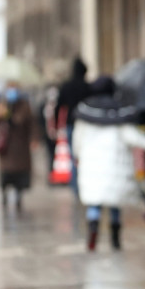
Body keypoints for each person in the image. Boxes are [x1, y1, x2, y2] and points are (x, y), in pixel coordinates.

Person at [72, 77, 145, 251]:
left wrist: (78, 156)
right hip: (115, 167)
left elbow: (77, 140)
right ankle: (115, 237)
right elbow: (133, 137)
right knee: (114, 203)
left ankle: (93, 228)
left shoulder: (85, 114)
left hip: (92, 166)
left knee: (94, 202)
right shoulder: (120, 114)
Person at [0, 84, 34, 212]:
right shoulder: (2, 105)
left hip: (20, 146)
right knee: (5, 174)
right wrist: (1, 113)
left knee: (19, 176)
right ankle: (4, 196)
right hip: (6, 146)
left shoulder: (24, 106)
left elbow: (24, 122)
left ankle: (18, 197)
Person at [56, 58, 91, 192]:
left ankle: (76, 189)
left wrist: (57, 125)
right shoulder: (87, 87)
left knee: (73, 158)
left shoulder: (67, 86)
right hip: (86, 126)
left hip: (71, 124)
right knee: (85, 157)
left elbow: (59, 107)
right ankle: (84, 187)